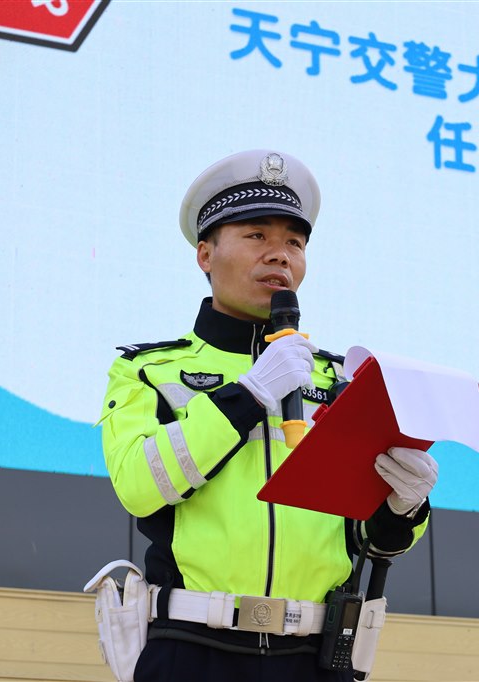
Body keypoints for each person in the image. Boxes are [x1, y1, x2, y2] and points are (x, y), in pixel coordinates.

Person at [98, 150, 439, 682]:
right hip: (192, 647)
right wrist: (250, 394)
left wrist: (404, 507)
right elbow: (140, 486)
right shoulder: (150, 370)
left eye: (294, 243)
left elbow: (372, 541)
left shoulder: (341, 381)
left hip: (316, 655)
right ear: (205, 254)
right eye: (256, 235)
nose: (280, 255)